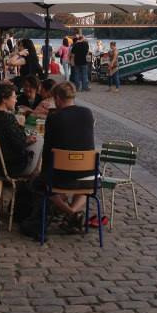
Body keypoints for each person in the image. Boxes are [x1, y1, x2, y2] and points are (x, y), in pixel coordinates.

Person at [38, 82, 94, 232]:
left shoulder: (54, 117)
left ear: (57, 98)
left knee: (40, 186)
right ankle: (73, 214)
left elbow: (48, 149)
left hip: (62, 175)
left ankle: (71, 212)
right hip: (88, 175)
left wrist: (44, 173)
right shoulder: (87, 113)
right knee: (83, 187)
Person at [0, 83, 36, 177]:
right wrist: (22, 127)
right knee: (40, 140)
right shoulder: (7, 119)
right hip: (13, 166)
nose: (16, 100)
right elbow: (19, 143)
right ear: (4, 99)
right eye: (14, 97)